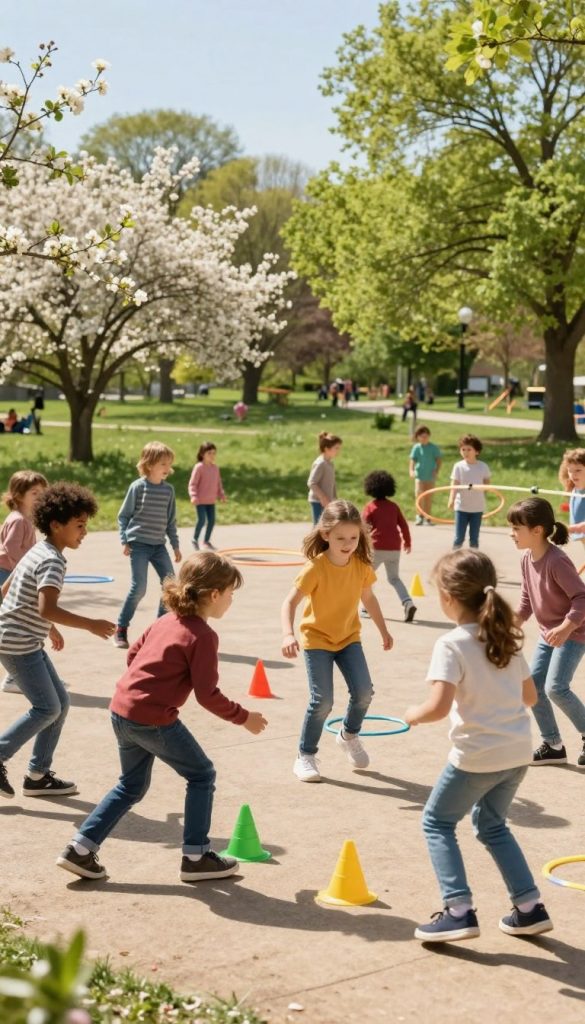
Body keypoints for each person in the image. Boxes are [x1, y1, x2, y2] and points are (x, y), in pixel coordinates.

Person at [56, 551, 268, 881]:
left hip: (121, 711)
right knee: (202, 775)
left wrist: (148, 686)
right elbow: (207, 695)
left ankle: (80, 849)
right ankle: (196, 858)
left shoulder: (165, 620)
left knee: (130, 786)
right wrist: (244, 717)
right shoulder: (203, 636)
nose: (230, 600)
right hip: (152, 720)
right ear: (214, 595)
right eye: (230, 593)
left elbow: (133, 655)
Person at [405, 549, 553, 942]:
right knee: (492, 825)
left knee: (437, 822)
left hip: (477, 756)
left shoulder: (451, 644)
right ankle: (529, 907)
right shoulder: (505, 638)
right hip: (518, 752)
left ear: (449, 599)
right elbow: (531, 698)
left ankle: (458, 910)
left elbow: (436, 708)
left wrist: (412, 715)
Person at [0, 483, 116, 801]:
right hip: (18, 643)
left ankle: (37, 775)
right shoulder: (53, 560)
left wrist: (47, 628)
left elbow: (9, 588)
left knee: (60, 704)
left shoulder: (37, 550)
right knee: (46, 707)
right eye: (79, 525)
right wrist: (90, 624)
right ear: (56, 524)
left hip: (19, 638)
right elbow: (46, 606)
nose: (85, 532)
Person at [281, 500, 393, 783]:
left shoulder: (361, 565)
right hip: (317, 639)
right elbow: (289, 602)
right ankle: (305, 755)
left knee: (364, 692)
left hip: (348, 638)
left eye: (354, 538)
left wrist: (384, 630)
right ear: (325, 535)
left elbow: (369, 598)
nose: (348, 544)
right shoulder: (316, 568)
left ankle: (349, 735)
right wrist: (287, 634)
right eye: (341, 538)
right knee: (323, 701)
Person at [507, 497, 585, 768]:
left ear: (537, 530)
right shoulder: (527, 559)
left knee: (556, 688)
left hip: (574, 632)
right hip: (548, 632)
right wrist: (511, 624)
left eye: (517, 528)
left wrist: (566, 626)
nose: (511, 533)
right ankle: (553, 745)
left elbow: (581, 598)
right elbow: (527, 601)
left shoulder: (556, 561)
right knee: (532, 687)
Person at [114, 441, 182, 650]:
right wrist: (125, 540)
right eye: (163, 463)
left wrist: (176, 546)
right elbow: (123, 516)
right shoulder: (138, 487)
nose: (167, 468)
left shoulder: (168, 491)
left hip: (158, 546)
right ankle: (121, 629)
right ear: (150, 464)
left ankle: (157, 630)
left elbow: (170, 521)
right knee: (139, 587)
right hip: (139, 545)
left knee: (170, 587)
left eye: (169, 463)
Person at [0, 470, 49, 693]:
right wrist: (30, 566)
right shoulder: (19, 521)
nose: (40, 496)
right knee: (19, 626)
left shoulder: (25, 519)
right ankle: (14, 677)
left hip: (10, 573)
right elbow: (10, 549)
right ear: (19, 495)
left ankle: (17, 675)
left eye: (42, 492)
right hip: (7, 573)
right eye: (34, 492)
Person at [362, 470, 416, 622]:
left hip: (376, 547)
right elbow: (404, 525)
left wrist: (359, 545)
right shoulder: (394, 507)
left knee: (366, 577)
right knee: (394, 578)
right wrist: (408, 542)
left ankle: (366, 607)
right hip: (394, 548)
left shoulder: (370, 507)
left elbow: (363, 528)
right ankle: (407, 602)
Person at [448, 434, 491, 549]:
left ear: (477, 451)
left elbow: (487, 482)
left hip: (477, 508)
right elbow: (455, 484)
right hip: (461, 507)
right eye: (463, 449)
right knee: (459, 537)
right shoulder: (458, 466)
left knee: (474, 538)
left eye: (469, 449)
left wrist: (484, 490)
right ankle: (453, 559)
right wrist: (451, 499)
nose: (465, 452)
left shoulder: (483, 467)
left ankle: (474, 560)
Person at [188, 442, 226, 551]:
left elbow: (218, 483)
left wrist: (221, 494)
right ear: (202, 454)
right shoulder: (199, 467)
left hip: (211, 501)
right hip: (200, 500)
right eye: (209, 453)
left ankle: (206, 541)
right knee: (202, 520)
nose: (212, 455)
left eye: (214, 453)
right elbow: (193, 484)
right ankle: (194, 539)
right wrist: (193, 496)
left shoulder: (215, 468)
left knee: (212, 521)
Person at [409, 426, 442, 526]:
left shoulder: (433, 448)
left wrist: (436, 471)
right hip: (420, 475)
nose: (424, 438)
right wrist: (411, 470)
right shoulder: (416, 448)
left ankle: (428, 517)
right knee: (419, 495)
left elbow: (439, 460)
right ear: (418, 437)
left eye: (426, 436)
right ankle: (419, 516)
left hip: (430, 476)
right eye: (422, 436)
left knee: (428, 497)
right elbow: (413, 460)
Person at [307, 432, 342, 525]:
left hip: (328, 502)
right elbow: (312, 482)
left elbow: (332, 484)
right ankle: (312, 540)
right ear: (327, 449)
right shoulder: (320, 463)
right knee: (318, 528)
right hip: (318, 502)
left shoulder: (329, 463)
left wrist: (335, 499)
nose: (338, 451)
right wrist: (323, 498)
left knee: (327, 527)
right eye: (336, 448)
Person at [561, 448, 585, 547]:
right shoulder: (574, 490)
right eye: (570, 471)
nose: (573, 474)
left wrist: (571, 528)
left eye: (578, 470)